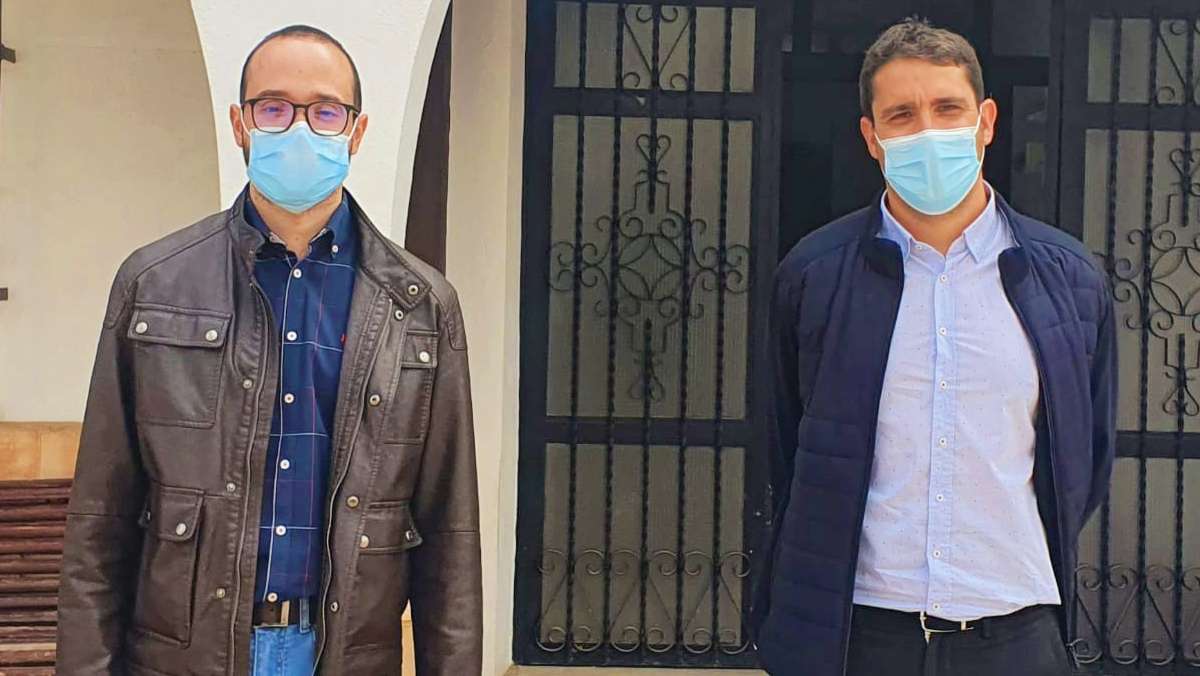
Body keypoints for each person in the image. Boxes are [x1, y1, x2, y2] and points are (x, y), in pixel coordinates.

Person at [56, 25, 482, 675]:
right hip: (186, 657)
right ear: (240, 125)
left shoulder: (420, 307)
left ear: (356, 132)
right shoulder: (155, 286)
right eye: (274, 108)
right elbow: (99, 522)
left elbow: (449, 540)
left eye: (326, 112)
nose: (300, 129)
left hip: (342, 655)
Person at [753, 17, 1115, 676]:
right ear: (871, 137)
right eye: (902, 115)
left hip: (1016, 630)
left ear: (986, 121)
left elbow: (1083, 457)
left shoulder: (1067, 279)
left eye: (948, 109)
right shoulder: (815, 275)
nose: (927, 132)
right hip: (859, 633)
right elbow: (786, 443)